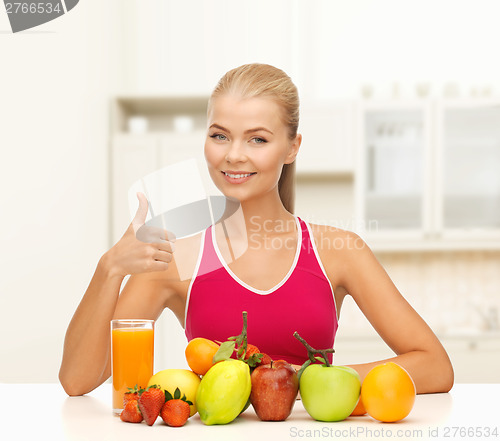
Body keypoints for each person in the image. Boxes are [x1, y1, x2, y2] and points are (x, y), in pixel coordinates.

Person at [59, 63, 454, 397]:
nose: (233, 154)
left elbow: (435, 367)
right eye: (219, 136)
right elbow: (78, 381)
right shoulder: (175, 260)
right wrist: (108, 268)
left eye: (258, 139)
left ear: (292, 147)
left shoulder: (339, 251)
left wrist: (305, 381)